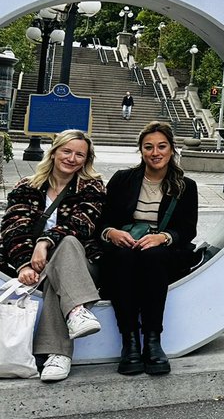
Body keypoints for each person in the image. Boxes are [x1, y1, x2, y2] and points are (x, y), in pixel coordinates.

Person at [0, 129, 106, 383]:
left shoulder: (92, 187)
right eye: (66, 151)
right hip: (35, 268)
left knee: (68, 243)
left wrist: (45, 243)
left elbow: (83, 224)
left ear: (86, 159)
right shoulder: (28, 186)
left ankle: (61, 344)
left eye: (79, 154)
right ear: (54, 152)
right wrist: (25, 262)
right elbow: (14, 227)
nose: (72, 158)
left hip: (82, 265)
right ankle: (69, 329)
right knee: (54, 283)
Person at [100, 121, 199, 376]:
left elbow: (188, 229)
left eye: (162, 146)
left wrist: (164, 237)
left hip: (162, 251)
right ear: (141, 150)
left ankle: (153, 342)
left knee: (153, 256)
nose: (155, 152)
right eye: (148, 147)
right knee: (123, 257)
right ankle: (130, 343)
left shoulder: (185, 186)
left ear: (172, 149)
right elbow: (102, 220)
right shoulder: (123, 179)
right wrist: (111, 232)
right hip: (125, 247)